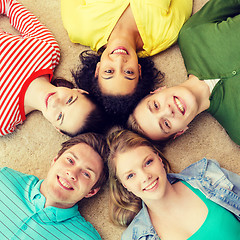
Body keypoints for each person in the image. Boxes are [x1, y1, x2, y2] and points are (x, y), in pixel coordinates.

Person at [128, 0, 240, 145]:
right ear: (180, 131)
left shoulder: (191, 36)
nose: (168, 111)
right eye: (166, 124)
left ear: (157, 91)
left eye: (155, 105)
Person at [61, 0, 193, 122]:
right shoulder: (166, 34)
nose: (119, 60)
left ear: (97, 69)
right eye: (129, 72)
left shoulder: (78, 28)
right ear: (139, 70)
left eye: (109, 71)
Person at [107, 129, 240, 239]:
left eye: (148, 162)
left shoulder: (208, 175)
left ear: (159, 159)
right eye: (130, 175)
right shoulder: (135, 237)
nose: (145, 177)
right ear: (125, 185)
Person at [0, 0, 103, 137]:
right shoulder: (48, 50)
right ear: (79, 91)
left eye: (60, 116)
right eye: (69, 100)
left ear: (56, 127)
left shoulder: (4, 121)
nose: (55, 102)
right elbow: (9, 5)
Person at [0, 132, 109, 239]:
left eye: (86, 174)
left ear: (91, 191)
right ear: (55, 160)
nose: (72, 173)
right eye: (70, 160)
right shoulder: (4, 179)